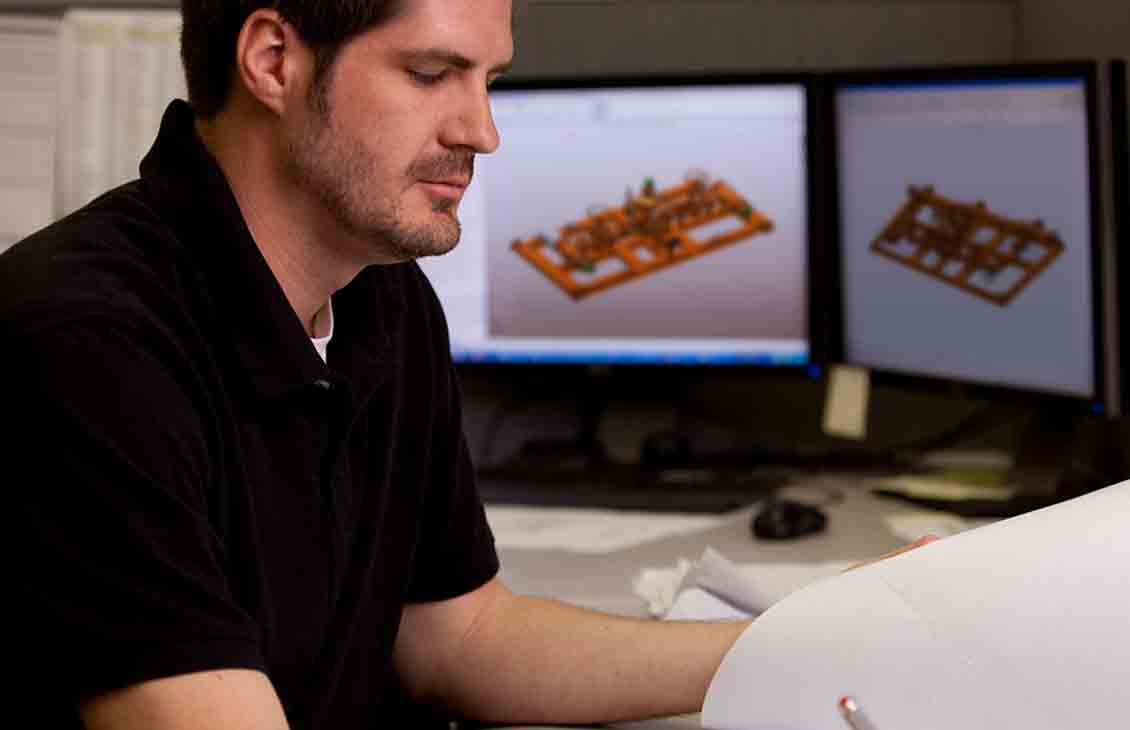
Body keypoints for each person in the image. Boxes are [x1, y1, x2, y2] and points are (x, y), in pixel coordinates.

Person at [3, 1, 928, 727]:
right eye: (433, 73)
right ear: (274, 61)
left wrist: (801, 638)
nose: (484, 131)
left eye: (488, 80)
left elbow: (460, 635)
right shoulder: (86, 337)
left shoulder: (383, 298)